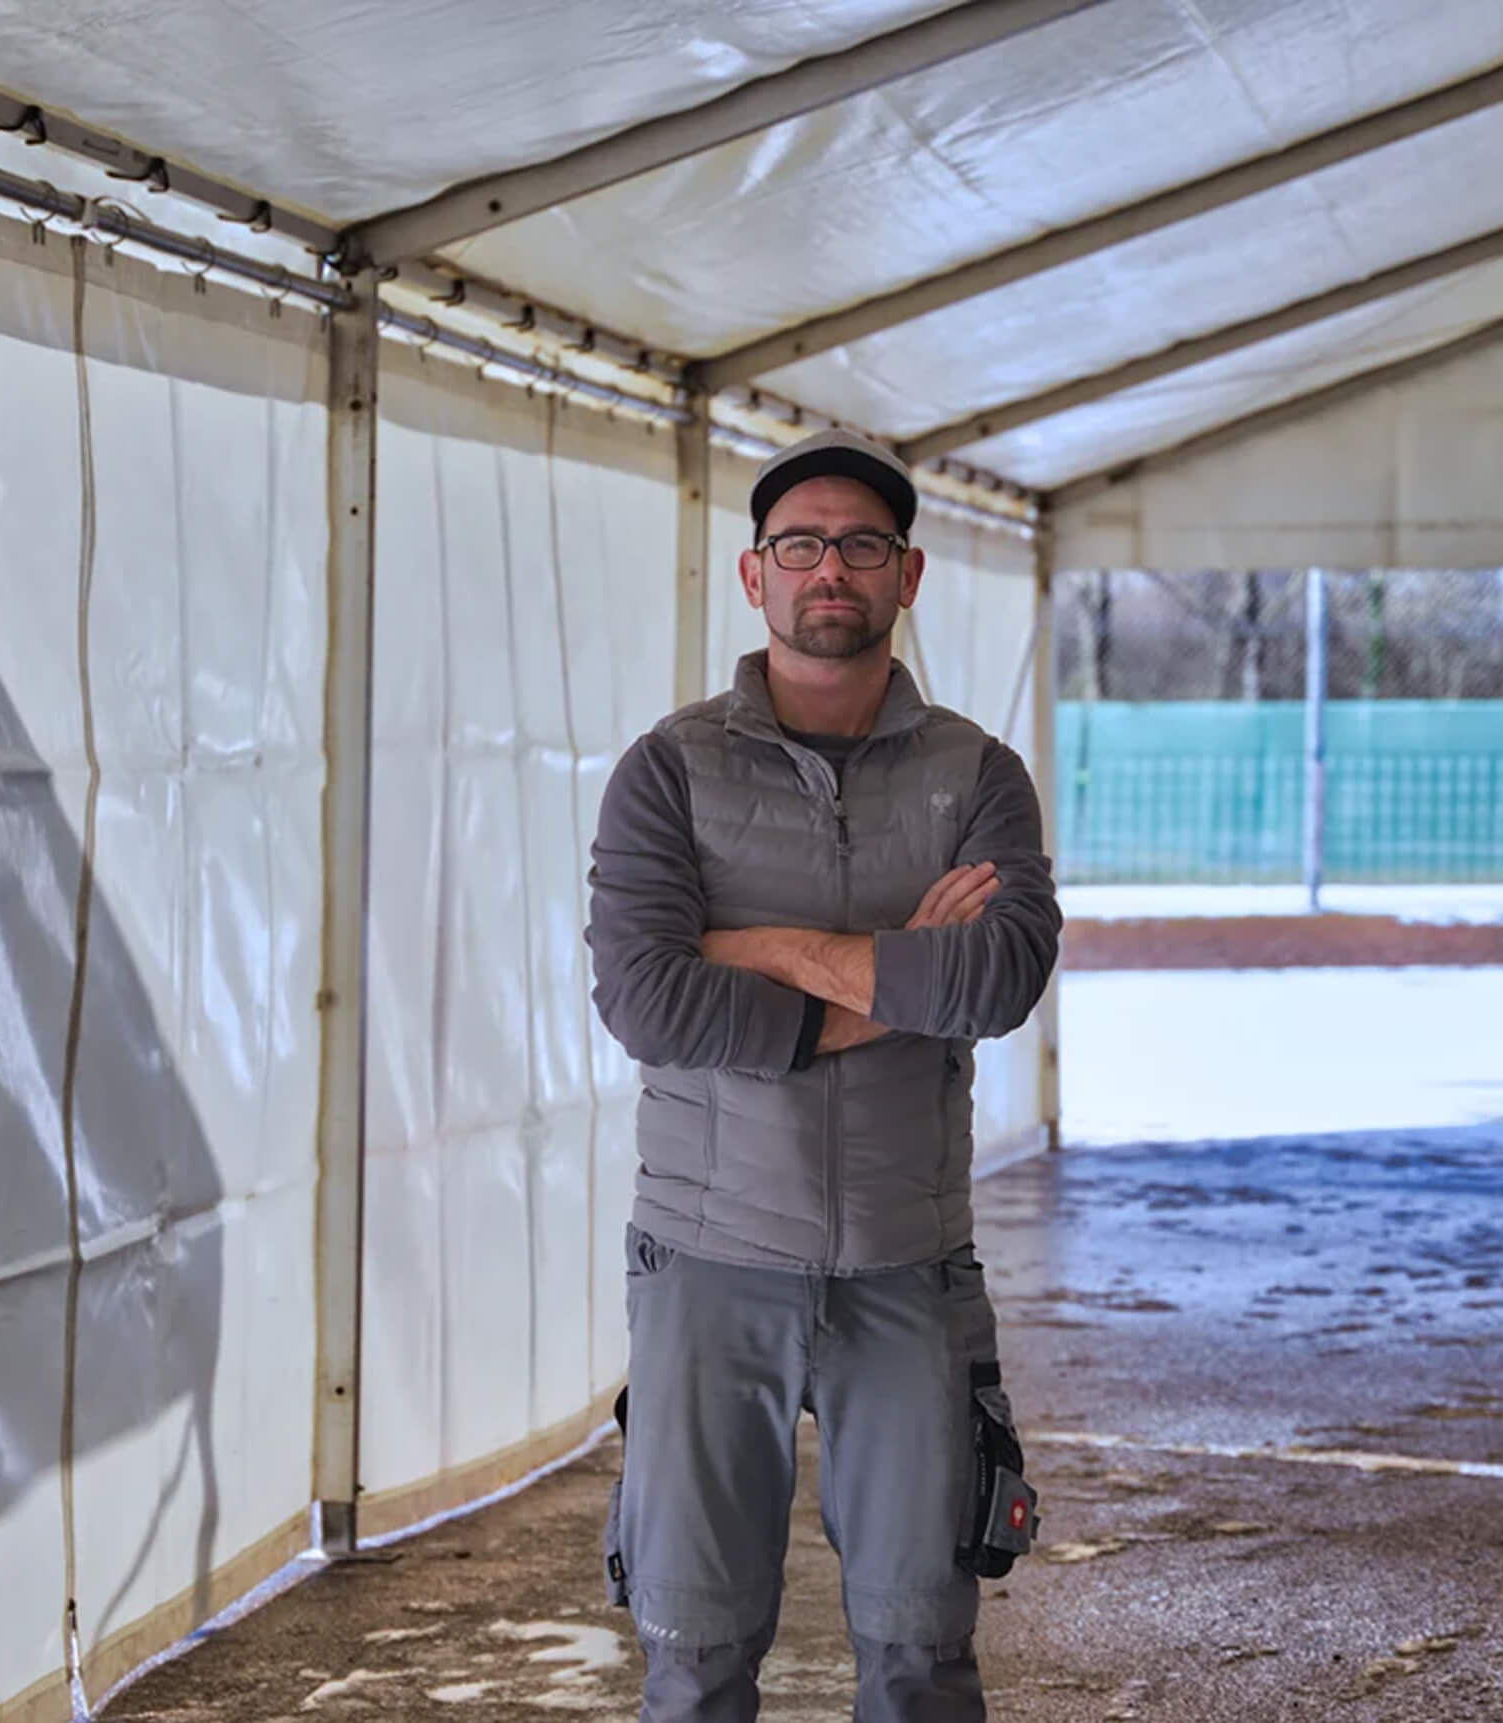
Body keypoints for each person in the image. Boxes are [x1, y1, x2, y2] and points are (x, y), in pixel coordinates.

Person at [585, 426, 1061, 1723]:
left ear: (905, 577)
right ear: (755, 578)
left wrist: (759, 958)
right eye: (800, 546)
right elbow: (646, 998)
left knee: (919, 1657)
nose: (828, 570)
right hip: (704, 1259)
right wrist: (895, 968)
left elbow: (998, 980)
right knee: (691, 1652)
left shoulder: (977, 776)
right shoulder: (668, 772)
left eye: (860, 545)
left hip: (909, 1269)